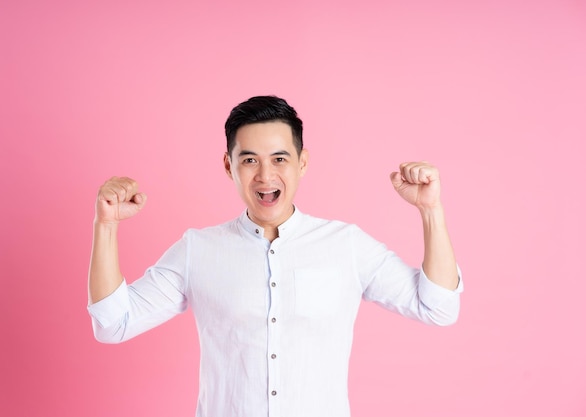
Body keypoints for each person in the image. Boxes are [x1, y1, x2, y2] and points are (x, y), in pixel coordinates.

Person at [87, 95, 462, 417]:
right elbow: (114, 323)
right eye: (249, 160)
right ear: (228, 165)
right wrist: (106, 224)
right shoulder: (197, 249)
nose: (265, 176)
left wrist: (431, 211)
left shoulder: (346, 245)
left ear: (302, 163)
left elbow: (437, 307)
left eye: (279, 159)